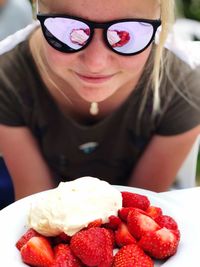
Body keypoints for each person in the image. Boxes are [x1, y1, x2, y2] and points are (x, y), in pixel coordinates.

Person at [0, 0, 199, 202]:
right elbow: (34, 206)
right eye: (70, 30)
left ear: (160, 21)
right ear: (38, 12)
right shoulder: (7, 79)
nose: (96, 63)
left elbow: (138, 208)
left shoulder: (183, 87)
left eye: (125, 34)